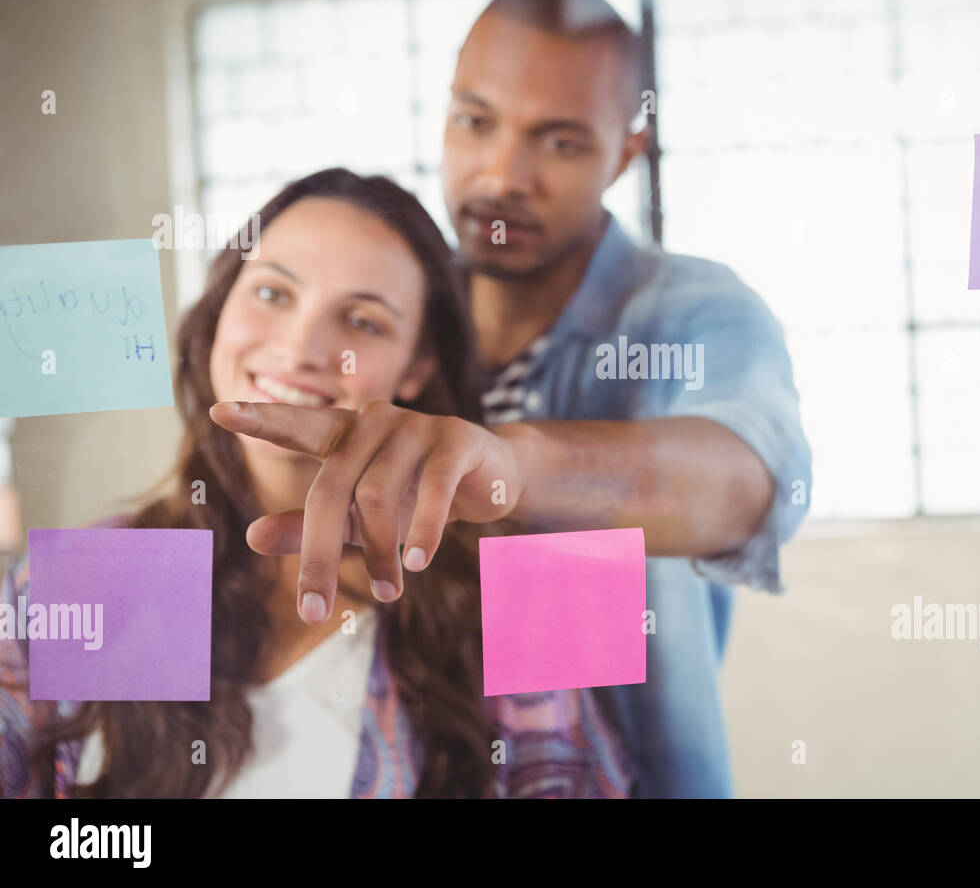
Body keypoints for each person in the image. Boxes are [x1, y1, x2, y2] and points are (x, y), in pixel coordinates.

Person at [214, 0, 812, 798]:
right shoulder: (128, 563)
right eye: (475, 121)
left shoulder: (695, 314)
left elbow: (751, 484)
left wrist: (517, 468)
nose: (503, 175)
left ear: (625, 153)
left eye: (559, 142)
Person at [0, 168, 633, 798]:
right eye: (273, 294)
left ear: (419, 365)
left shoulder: (527, 598)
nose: (302, 348)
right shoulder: (90, 574)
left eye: (362, 321)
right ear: (222, 308)